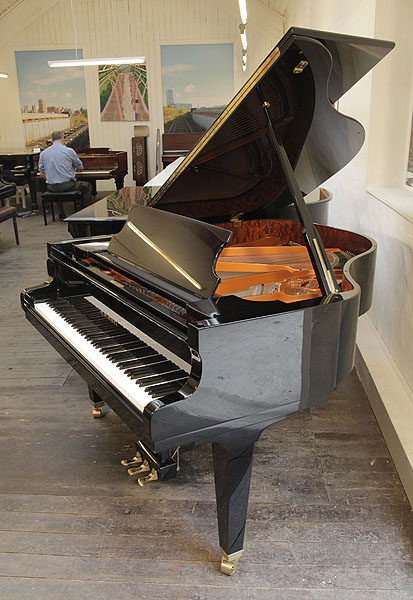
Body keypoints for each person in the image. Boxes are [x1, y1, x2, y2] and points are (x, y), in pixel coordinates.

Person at [38, 131, 92, 219]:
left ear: (52, 140)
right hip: (67, 185)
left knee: (57, 186)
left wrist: (52, 177)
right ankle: (84, 212)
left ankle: (61, 213)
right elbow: (81, 167)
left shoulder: (43, 153)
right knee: (87, 186)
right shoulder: (69, 151)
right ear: (63, 140)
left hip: (51, 187)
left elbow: (41, 174)